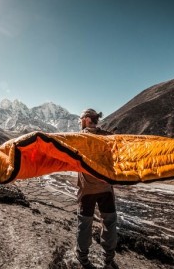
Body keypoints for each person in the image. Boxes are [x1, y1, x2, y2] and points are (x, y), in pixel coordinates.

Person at [75, 108, 119, 269]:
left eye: (81, 119)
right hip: (106, 189)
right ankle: (108, 257)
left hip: (87, 190)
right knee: (109, 222)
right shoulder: (108, 137)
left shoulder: (79, 138)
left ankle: (82, 256)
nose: (80, 122)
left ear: (86, 120)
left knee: (84, 223)